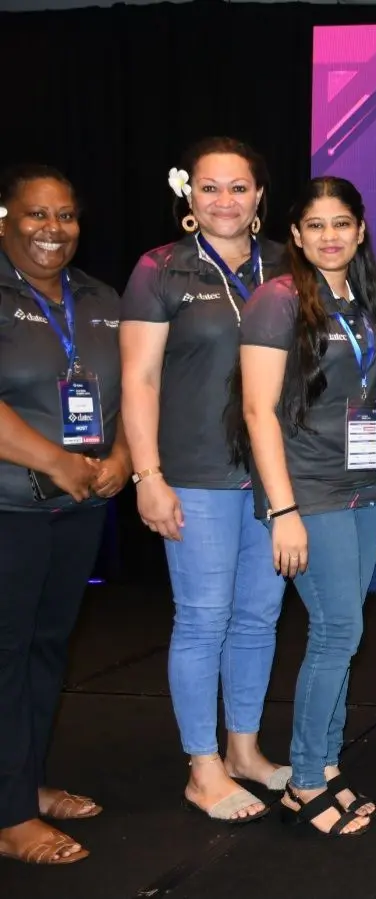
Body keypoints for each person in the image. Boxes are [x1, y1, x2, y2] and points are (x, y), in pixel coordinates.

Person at [120, 137, 291, 825]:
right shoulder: (159, 269)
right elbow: (139, 377)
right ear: (190, 196)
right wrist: (147, 474)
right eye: (211, 187)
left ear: (259, 196)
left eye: (239, 187)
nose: (225, 199)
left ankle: (243, 749)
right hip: (194, 472)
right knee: (203, 617)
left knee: (260, 617)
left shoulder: (288, 263)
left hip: (274, 474)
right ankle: (203, 766)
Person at [231, 176, 376, 838]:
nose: (330, 236)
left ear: (360, 230)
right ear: (295, 235)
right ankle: (303, 779)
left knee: (343, 633)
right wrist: (285, 508)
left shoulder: (360, 300)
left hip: (358, 487)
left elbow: (368, 403)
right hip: (309, 492)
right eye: (316, 225)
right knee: (336, 632)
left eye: (342, 223)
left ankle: (324, 767)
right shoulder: (277, 300)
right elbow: (257, 410)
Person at [0, 165, 130, 865]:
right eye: (36, 214)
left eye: (67, 216)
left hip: (80, 507)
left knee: (48, 650)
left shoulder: (100, 298)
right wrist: (56, 461)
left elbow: (135, 388)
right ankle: (10, 815)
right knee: (4, 655)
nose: (53, 229)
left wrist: (124, 456)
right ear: (5, 217)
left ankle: (24, 781)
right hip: (10, 507)